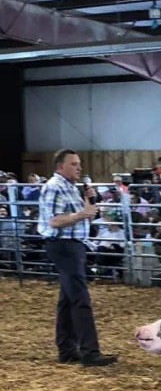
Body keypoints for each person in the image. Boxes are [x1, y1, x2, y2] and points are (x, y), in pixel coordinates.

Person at [38, 148, 118, 367]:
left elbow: (85, 215)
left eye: (79, 164)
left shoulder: (71, 188)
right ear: (60, 166)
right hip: (63, 246)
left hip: (74, 245)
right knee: (80, 298)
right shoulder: (54, 188)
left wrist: (89, 203)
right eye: (74, 164)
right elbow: (53, 221)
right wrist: (81, 214)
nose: (79, 168)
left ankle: (66, 349)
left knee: (68, 299)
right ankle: (90, 351)